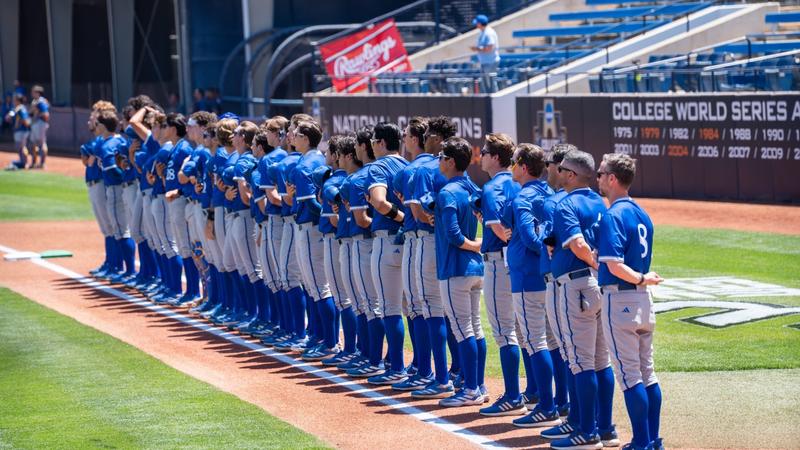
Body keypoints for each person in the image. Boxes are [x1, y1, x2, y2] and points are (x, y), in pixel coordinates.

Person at [548, 150, 618, 450]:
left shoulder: (567, 203)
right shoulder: (600, 203)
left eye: (561, 169)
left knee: (581, 362)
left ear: (571, 175)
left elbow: (578, 244)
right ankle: (606, 428)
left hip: (576, 286)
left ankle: (587, 431)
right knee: (601, 361)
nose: (557, 172)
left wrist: (592, 262)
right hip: (599, 287)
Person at [596, 153, 664, 450]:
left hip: (621, 298)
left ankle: (640, 442)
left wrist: (639, 278)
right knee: (647, 373)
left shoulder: (613, 215)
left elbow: (614, 265)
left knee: (630, 375)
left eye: (601, 174)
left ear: (612, 179)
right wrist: (642, 280)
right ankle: (653, 440)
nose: (598, 178)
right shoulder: (642, 213)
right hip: (643, 301)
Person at [503, 143, 564, 428]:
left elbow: (530, 238)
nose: (511, 167)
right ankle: (561, 402)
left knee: (535, 341)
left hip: (527, 278)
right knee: (554, 342)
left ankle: (547, 407)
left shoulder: (523, 197)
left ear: (524, 167)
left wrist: (543, 247)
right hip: (547, 278)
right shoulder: (550, 193)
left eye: (514, 162)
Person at [408, 116, 460, 400]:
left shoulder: (425, 168)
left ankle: (437, 377)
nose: (424, 139)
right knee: (457, 314)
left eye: (428, 135)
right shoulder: (461, 171)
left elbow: (418, 214)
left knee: (430, 309)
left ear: (438, 139)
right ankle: (460, 372)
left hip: (427, 242)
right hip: (456, 246)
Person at [433, 137, 485, 407]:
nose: (438, 161)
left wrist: (474, 245)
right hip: (476, 269)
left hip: (456, 268)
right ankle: (479, 385)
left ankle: (471, 389)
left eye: (442, 157)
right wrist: (479, 246)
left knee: (464, 331)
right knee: (475, 329)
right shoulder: (473, 187)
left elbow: (453, 235)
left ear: (451, 161)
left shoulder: (448, 192)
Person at [475, 133, 523, 417]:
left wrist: (513, 242)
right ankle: (533, 392)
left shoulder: (492, 188)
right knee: (525, 332)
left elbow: (500, 231)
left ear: (495, 157)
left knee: (506, 333)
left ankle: (513, 396)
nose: (480, 156)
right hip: (520, 265)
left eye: (484, 152)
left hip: (498, 263)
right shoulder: (518, 183)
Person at [360, 122, 410, 386]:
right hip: (411, 243)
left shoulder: (378, 167)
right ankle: (419, 366)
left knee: (390, 308)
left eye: (373, 141)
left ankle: (396, 366)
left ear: (380, 142)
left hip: (387, 240)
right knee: (414, 310)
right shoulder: (408, 165)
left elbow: (379, 202)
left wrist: (400, 217)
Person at [390, 117, 435, 392]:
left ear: (416, 139)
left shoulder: (414, 169)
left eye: (406, 134)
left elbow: (414, 210)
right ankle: (447, 370)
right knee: (442, 312)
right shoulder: (441, 167)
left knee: (419, 308)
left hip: (418, 240)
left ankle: (423, 368)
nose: (404, 139)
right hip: (436, 242)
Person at [289, 120, 338, 360]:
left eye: (297, 134)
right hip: (320, 230)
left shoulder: (304, 165)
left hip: (311, 229)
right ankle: (320, 337)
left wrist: (327, 215)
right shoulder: (320, 159)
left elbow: (311, 204)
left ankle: (328, 342)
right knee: (320, 288)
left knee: (319, 288)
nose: (292, 137)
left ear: (306, 139)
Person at [84, 101, 118, 277]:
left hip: (101, 184)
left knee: (111, 227)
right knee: (107, 228)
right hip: (95, 183)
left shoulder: (103, 141)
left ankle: (115, 264)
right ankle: (110, 262)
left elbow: (89, 161)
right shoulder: (98, 140)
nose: (91, 120)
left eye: (94, 117)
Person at [470, 14, 500, 93]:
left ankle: (495, 98)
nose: (476, 25)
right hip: (486, 61)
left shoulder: (488, 33)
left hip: (490, 61)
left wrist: (477, 49)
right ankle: (488, 98)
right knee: (486, 83)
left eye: (477, 23)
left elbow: (490, 47)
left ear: (480, 23)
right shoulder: (483, 32)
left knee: (491, 82)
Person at [5, 93, 31, 170]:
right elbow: (8, 118)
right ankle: (22, 161)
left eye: (15, 100)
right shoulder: (17, 108)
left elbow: (25, 121)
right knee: (19, 147)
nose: (13, 101)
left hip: (22, 131)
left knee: (22, 147)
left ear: (18, 101)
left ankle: (24, 162)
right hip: (20, 131)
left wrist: (19, 123)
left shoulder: (20, 108)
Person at [29, 85, 50, 169]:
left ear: (38, 93)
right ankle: (34, 162)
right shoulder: (35, 101)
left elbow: (46, 115)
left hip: (40, 124)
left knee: (41, 144)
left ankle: (42, 163)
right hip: (35, 124)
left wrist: (38, 115)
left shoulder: (41, 102)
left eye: (33, 92)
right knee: (33, 144)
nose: (32, 93)